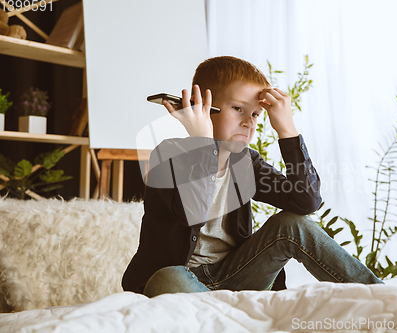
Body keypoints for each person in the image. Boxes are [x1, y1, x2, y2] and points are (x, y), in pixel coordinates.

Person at [122, 56, 382, 296]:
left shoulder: (246, 163)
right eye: (238, 109)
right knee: (168, 277)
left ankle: (380, 295)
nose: (249, 121)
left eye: (256, 114)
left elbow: (306, 202)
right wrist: (200, 144)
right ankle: (223, 316)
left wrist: (287, 131)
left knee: (292, 223)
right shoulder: (167, 154)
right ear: (202, 107)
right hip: (181, 278)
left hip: (236, 277)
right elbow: (194, 212)